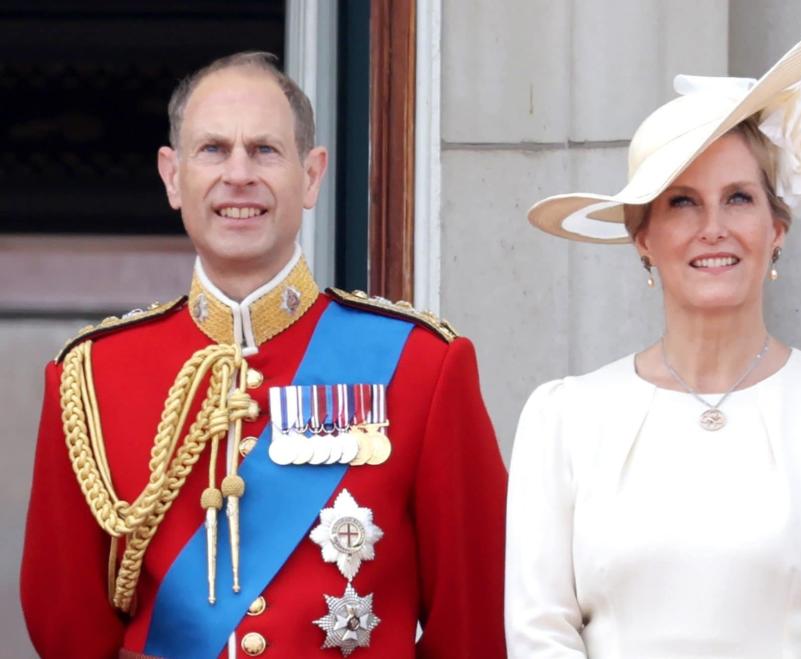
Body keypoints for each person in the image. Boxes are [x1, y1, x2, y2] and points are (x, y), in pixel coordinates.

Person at [20, 52, 507, 659]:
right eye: (213, 150)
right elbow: (67, 630)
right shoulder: (90, 378)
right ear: (172, 177)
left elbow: (477, 625)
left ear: (311, 176)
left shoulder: (421, 365)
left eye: (265, 151)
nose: (239, 174)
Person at [506, 10, 801, 659]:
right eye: (681, 201)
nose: (712, 227)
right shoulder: (563, 416)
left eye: (738, 198)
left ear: (776, 227)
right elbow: (539, 633)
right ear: (643, 237)